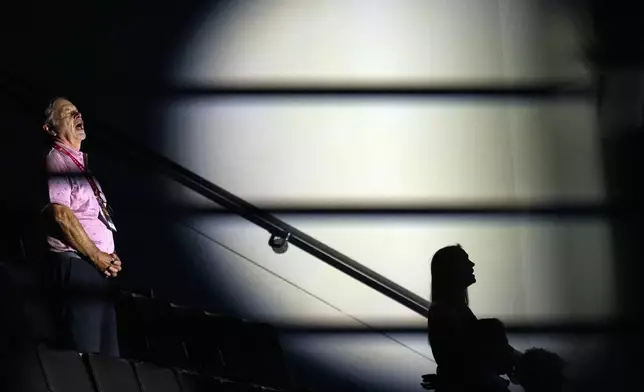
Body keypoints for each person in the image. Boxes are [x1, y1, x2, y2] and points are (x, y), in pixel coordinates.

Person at [40, 97, 122, 356]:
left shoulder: (81, 165)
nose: (77, 116)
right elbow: (61, 214)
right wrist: (97, 255)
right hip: (78, 264)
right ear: (51, 129)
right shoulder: (57, 161)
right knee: (87, 356)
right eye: (67, 113)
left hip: (95, 267)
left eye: (77, 111)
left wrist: (108, 255)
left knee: (109, 360)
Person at [425, 244, 519, 391]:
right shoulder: (445, 311)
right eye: (465, 261)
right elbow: (463, 358)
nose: (472, 264)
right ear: (452, 269)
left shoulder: (452, 310)